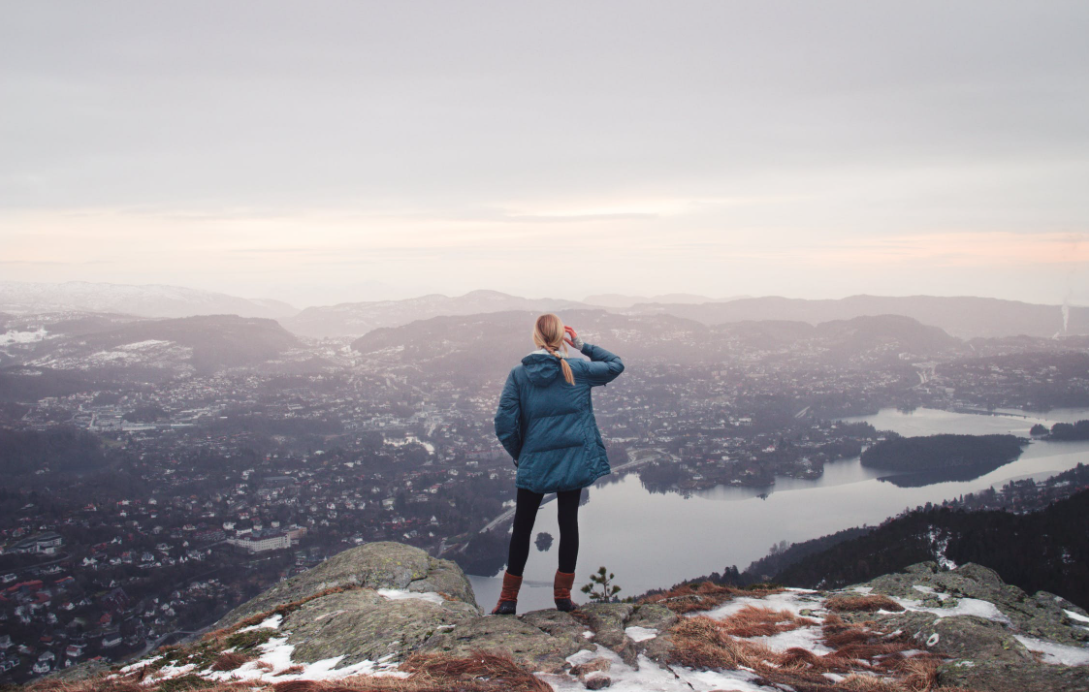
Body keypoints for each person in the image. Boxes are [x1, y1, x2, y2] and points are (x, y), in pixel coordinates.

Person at [491, 313, 625, 615]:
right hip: (572, 460)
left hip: (534, 461)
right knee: (568, 523)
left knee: (522, 526)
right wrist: (581, 344)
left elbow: (503, 422)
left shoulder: (519, 374)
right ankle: (563, 597)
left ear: (536, 338)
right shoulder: (576, 368)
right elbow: (616, 365)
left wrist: (520, 452)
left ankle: (508, 600)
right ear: (559, 337)